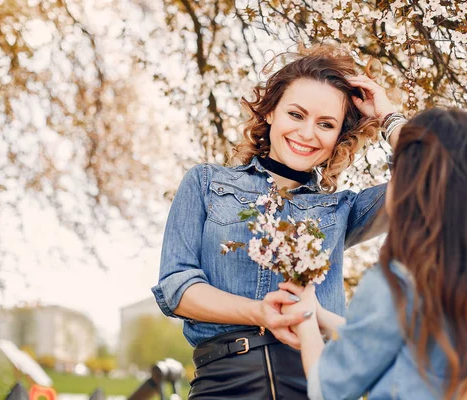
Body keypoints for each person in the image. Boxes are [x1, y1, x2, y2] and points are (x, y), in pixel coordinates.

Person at [152, 44, 404, 399]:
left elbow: (434, 178)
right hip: (225, 383)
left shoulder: (343, 210)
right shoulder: (206, 183)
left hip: (317, 383)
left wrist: (387, 114)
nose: (307, 133)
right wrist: (260, 313)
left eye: (326, 124)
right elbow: (177, 288)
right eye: (296, 115)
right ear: (270, 111)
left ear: (337, 137)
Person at [281, 108, 467, 400]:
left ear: (408, 178)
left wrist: (305, 317)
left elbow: (327, 388)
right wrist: (322, 316)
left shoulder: (399, 281)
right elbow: (398, 335)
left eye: (393, 166)